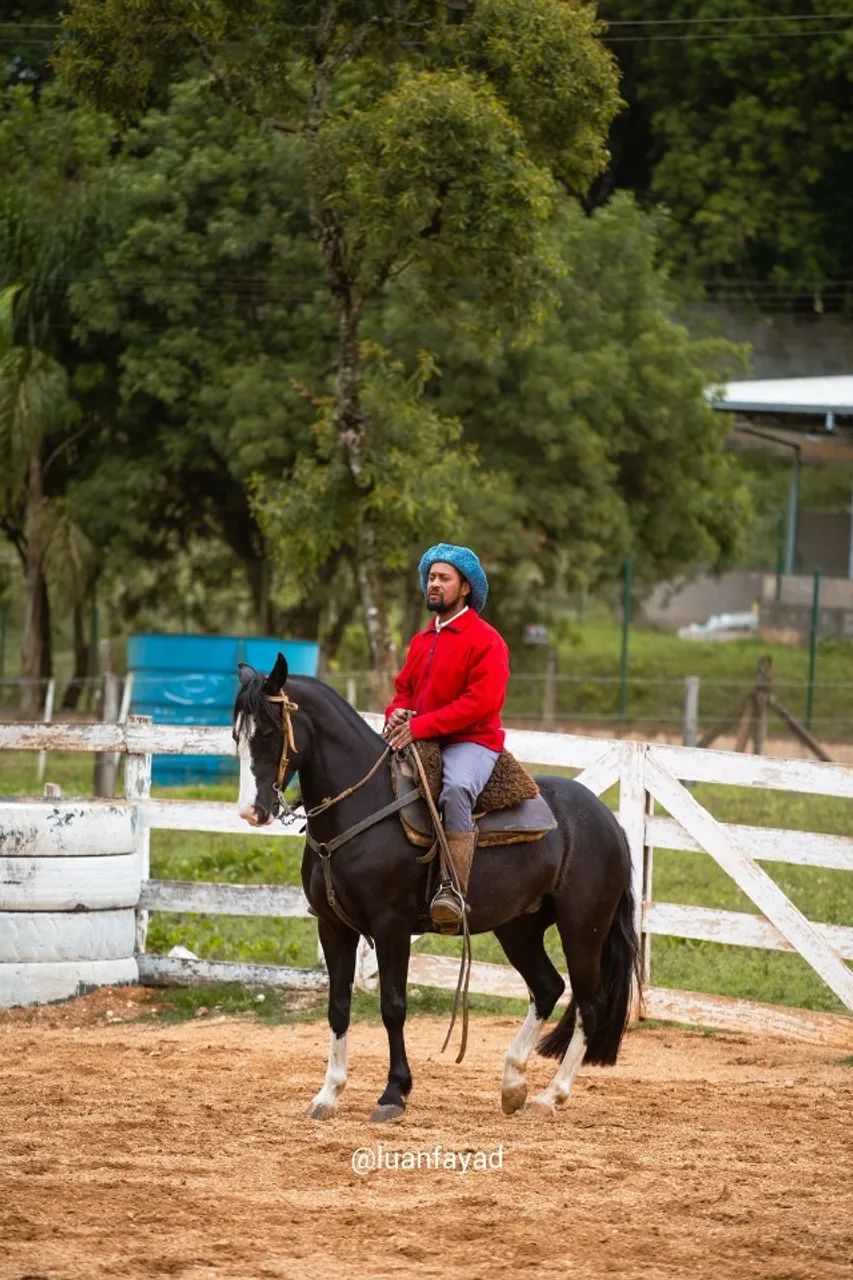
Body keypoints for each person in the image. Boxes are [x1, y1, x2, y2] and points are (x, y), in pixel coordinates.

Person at [384, 542, 510, 932]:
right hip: (420, 736)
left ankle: (452, 891)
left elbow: (479, 704)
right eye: (431, 578)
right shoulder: (422, 641)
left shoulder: (486, 640)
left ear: (465, 587)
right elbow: (403, 689)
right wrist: (397, 712)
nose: (433, 584)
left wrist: (419, 726)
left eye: (443, 578)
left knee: (455, 789)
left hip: (470, 742)